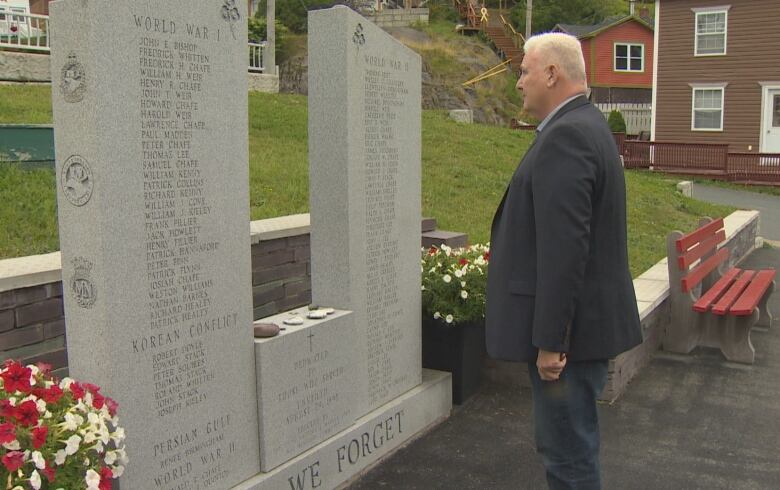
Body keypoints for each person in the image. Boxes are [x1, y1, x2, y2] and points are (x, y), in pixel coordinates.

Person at [485, 32, 643, 489]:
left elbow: (565, 249)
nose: (519, 83)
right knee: (570, 449)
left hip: (569, 343)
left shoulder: (567, 135)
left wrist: (552, 341)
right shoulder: (587, 125)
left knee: (568, 458)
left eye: (524, 71)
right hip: (583, 333)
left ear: (552, 73)